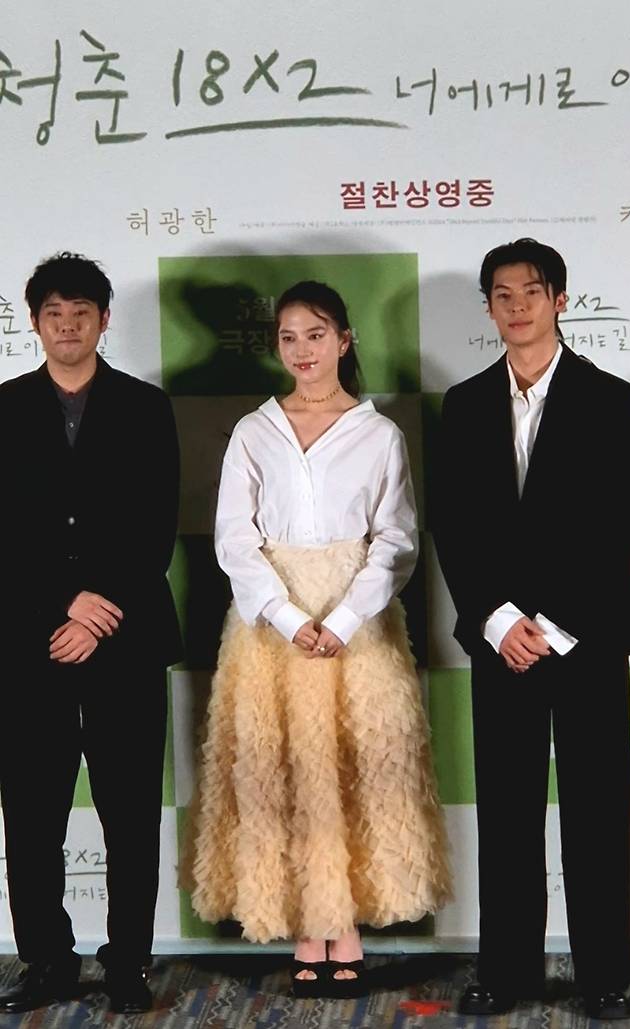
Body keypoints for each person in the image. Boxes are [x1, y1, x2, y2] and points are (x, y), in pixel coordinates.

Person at [183, 280, 451, 998]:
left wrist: (343, 619)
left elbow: (396, 538)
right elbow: (234, 537)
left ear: (344, 340)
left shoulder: (378, 433)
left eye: (316, 334)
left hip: (357, 623)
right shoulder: (254, 430)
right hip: (270, 628)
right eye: (289, 337)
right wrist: (283, 613)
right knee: (283, 773)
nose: (302, 350)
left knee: (357, 768)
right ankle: (306, 923)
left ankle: (348, 927)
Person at [435, 238, 630, 1020]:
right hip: (502, 641)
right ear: (489, 307)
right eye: (502, 294)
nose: (517, 305)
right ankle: (507, 971)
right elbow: (453, 523)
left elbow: (624, 519)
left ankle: (605, 974)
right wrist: (498, 619)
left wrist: (555, 623)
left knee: (598, 806)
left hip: (585, 636)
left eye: (531, 291)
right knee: (507, 808)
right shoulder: (463, 404)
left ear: (560, 299)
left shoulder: (609, 397)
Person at [0, 253, 182, 1015]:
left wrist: (101, 602)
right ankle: (46, 958)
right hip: (29, 641)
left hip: (125, 636)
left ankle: (128, 961)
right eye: (54, 314)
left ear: (104, 320)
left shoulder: (145, 406)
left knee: (130, 812)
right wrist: (64, 603)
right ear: (34, 323)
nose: (67, 325)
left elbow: (157, 521)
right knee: (32, 814)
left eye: (81, 313)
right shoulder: (5, 407)